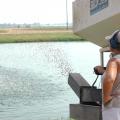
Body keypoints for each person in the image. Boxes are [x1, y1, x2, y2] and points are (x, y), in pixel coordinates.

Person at [94, 30, 120, 120]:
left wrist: (106, 99)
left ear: (113, 44)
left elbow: (110, 79)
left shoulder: (114, 61)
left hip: (114, 106)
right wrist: (104, 71)